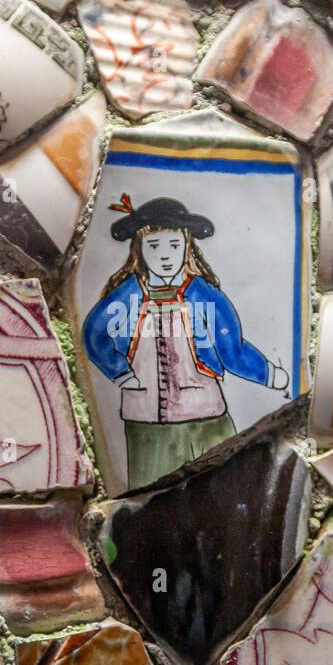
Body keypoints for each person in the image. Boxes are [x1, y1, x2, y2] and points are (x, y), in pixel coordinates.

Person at [83, 194, 289, 489]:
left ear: (187, 247)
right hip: (146, 422)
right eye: (154, 246)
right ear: (139, 250)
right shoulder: (127, 296)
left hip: (206, 416)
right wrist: (120, 372)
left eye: (174, 245)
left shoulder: (204, 295)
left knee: (224, 490)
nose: (165, 255)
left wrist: (270, 375)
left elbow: (232, 349)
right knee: (148, 498)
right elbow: (94, 333)